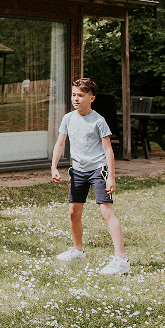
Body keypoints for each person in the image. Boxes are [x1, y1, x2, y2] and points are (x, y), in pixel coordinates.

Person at [51, 77, 129, 275]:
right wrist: (54, 167)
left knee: (106, 212)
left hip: (97, 170)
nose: (75, 99)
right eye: (74, 95)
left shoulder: (98, 121)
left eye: (80, 96)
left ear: (91, 98)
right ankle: (78, 251)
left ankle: (121, 260)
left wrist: (111, 176)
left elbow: (108, 150)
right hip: (78, 170)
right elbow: (60, 144)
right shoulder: (68, 118)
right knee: (73, 212)